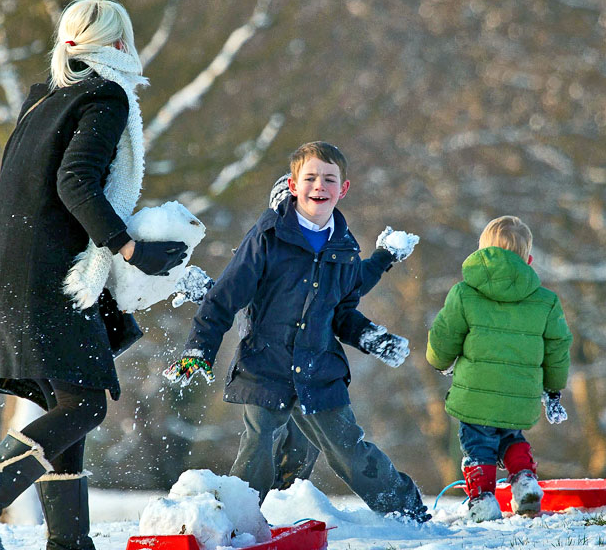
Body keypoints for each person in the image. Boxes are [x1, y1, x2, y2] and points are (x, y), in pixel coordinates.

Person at [0, 0, 188, 550]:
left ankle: (69, 544)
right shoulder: (105, 95)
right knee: (86, 406)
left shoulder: (42, 95)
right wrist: (128, 247)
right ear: (120, 43)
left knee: (70, 398)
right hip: (52, 271)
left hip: (7, 261)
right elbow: (76, 182)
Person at [164, 141, 430, 522]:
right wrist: (199, 348)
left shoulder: (345, 249)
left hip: (320, 370)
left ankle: (407, 512)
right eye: (309, 178)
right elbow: (223, 298)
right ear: (292, 185)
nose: (318, 186)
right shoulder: (267, 238)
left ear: (343, 189)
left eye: (328, 179)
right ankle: (233, 523)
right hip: (266, 366)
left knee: (349, 452)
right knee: (257, 449)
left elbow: (341, 313)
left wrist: (369, 336)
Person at [426, 215, 572, 521]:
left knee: (478, 444)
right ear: (529, 260)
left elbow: (444, 336)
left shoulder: (464, 293)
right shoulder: (545, 302)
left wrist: (439, 361)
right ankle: (524, 480)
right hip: (520, 394)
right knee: (511, 438)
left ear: (481, 254)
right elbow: (557, 348)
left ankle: (482, 500)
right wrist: (553, 387)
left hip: (475, 397)